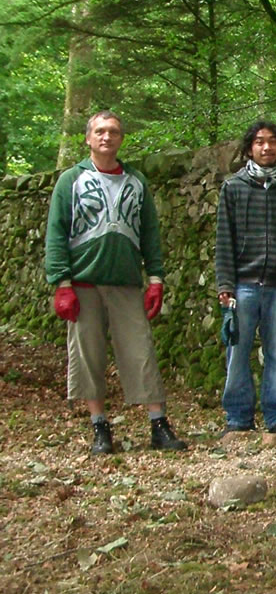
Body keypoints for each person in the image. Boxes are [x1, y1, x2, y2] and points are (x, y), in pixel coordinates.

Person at [44, 110, 188, 455]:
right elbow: (56, 232)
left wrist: (155, 278)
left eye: (114, 132)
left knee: (141, 352)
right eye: (100, 132)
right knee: (88, 355)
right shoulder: (71, 181)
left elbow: (149, 232)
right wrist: (61, 282)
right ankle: (99, 428)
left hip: (125, 282)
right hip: (83, 282)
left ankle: (158, 424)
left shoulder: (136, 182)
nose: (107, 137)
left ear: (121, 139)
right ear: (88, 138)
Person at [215, 120, 276, 435]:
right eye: (259, 141)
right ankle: (238, 418)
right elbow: (223, 239)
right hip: (242, 284)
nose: (266, 147)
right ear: (249, 148)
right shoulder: (233, 187)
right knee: (237, 355)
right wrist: (225, 285)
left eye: (272, 142)